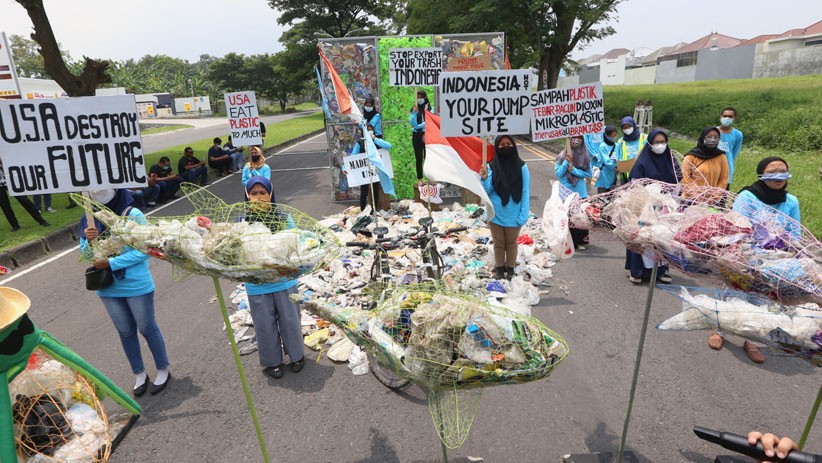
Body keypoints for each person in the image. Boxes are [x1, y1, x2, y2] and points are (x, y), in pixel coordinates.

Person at [708, 156, 801, 364]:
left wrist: (784, 250)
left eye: (783, 170)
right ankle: (719, 330)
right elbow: (738, 227)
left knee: (762, 301)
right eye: (773, 170)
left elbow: (795, 233)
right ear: (762, 174)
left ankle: (751, 340)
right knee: (732, 293)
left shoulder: (791, 201)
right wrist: (752, 252)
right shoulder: (748, 197)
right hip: (746, 256)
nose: (779, 175)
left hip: (774, 261)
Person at [80, 189, 171, 396]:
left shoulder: (133, 214)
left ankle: (162, 368)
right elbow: (86, 255)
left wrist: (110, 263)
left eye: (103, 187)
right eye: (93, 189)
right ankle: (139, 373)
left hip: (136, 284)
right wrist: (87, 240)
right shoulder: (89, 218)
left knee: (147, 327)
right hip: (108, 287)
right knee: (125, 331)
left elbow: (145, 250)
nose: (98, 192)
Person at [242, 176, 305, 379]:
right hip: (257, 285)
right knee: (264, 325)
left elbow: (297, 244)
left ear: (271, 194)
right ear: (247, 196)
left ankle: (297, 356)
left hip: (284, 281)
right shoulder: (242, 223)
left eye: (263, 193)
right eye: (253, 193)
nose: (258, 197)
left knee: (290, 321)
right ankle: (273, 362)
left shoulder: (283, 218)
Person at [624, 129, 681, 285]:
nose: (660, 145)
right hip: (645, 207)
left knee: (662, 238)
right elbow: (636, 185)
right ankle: (637, 271)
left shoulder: (671, 160)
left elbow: (677, 182)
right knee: (642, 237)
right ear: (650, 144)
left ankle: (661, 271)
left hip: (665, 207)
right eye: (656, 142)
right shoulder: (642, 162)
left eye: (663, 142)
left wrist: (671, 199)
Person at [480, 135, 530, 280]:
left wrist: (523, 214)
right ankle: (500, 269)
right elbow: (487, 191)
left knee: (511, 244)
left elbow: (525, 191)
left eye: (509, 144)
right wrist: (484, 178)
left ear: (514, 146)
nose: (506, 147)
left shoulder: (522, 167)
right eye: (502, 145)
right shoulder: (491, 166)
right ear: (496, 147)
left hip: (514, 214)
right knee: (499, 244)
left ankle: (511, 269)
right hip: (495, 214)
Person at [555, 135, 592, 250]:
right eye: (574, 138)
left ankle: (580, 241)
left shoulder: (585, 156)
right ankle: (567, 240)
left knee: (580, 217)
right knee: (566, 217)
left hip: (580, 191)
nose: (576, 140)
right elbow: (558, 173)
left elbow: (588, 174)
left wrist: (574, 170)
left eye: (579, 138)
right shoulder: (561, 156)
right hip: (565, 192)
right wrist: (566, 162)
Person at [681, 126, 729, 204]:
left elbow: (724, 178)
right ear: (703, 138)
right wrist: (696, 195)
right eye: (709, 137)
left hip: (711, 201)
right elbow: (685, 178)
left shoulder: (721, 157)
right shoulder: (691, 156)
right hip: (690, 200)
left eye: (716, 137)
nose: (712, 139)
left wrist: (715, 196)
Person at [349, 124, 392, 211]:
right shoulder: (360, 143)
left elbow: (388, 146)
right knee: (364, 191)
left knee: (375, 190)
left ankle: (374, 210)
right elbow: (352, 157)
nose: (369, 132)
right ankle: (363, 209)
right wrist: (345, 168)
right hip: (364, 172)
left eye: (370, 130)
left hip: (375, 170)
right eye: (367, 130)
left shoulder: (376, 141)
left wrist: (374, 139)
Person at [0, 159, 50, 232]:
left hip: (9, 179)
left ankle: (41, 220)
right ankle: (14, 225)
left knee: (24, 199)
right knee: (5, 205)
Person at [615, 116, 647, 184]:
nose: (627, 129)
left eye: (629, 126)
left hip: (642, 175)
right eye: (625, 128)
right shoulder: (621, 141)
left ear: (633, 125)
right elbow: (617, 156)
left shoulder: (644, 138)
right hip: (625, 177)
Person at [718, 107, 744, 189]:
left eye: (730, 116)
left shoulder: (738, 134)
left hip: (726, 168)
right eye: (725, 116)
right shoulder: (712, 131)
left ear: (734, 118)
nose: (727, 118)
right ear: (720, 117)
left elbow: (734, 153)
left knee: (721, 197)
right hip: (711, 166)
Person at [410, 90, 432, 182]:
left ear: (424, 97)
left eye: (420, 97)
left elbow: (428, 122)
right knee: (418, 157)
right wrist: (414, 113)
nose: (419, 99)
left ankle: (429, 177)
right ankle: (420, 178)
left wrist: (418, 126)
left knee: (427, 156)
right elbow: (412, 122)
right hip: (416, 135)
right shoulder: (414, 109)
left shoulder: (429, 109)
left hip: (426, 134)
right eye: (417, 97)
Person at [593, 126, 619, 193]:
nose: (613, 137)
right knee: (602, 196)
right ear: (606, 135)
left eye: (615, 135)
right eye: (612, 136)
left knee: (611, 195)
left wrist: (620, 166)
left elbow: (620, 157)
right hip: (604, 174)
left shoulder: (617, 145)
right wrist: (615, 165)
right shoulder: (603, 146)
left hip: (613, 174)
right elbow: (606, 161)